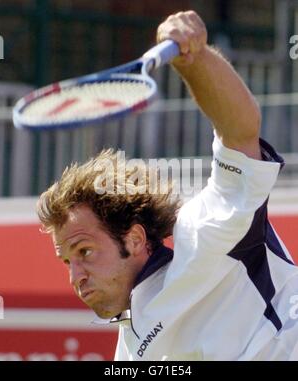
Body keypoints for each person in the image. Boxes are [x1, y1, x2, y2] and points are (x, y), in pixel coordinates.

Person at [37, 10, 298, 360]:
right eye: (67, 261)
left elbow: (241, 131)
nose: (75, 277)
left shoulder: (205, 233)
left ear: (134, 239)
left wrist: (196, 60)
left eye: (84, 252)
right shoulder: (129, 355)